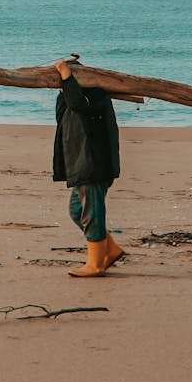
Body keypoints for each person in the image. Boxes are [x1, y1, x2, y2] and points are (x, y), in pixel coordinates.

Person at [52, 56, 125, 277]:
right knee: (77, 211)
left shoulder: (95, 93)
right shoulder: (72, 93)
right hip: (81, 163)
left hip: (94, 163)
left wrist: (66, 74)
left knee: (91, 213)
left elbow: (79, 104)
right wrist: (64, 85)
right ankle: (110, 250)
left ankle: (96, 264)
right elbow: (63, 111)